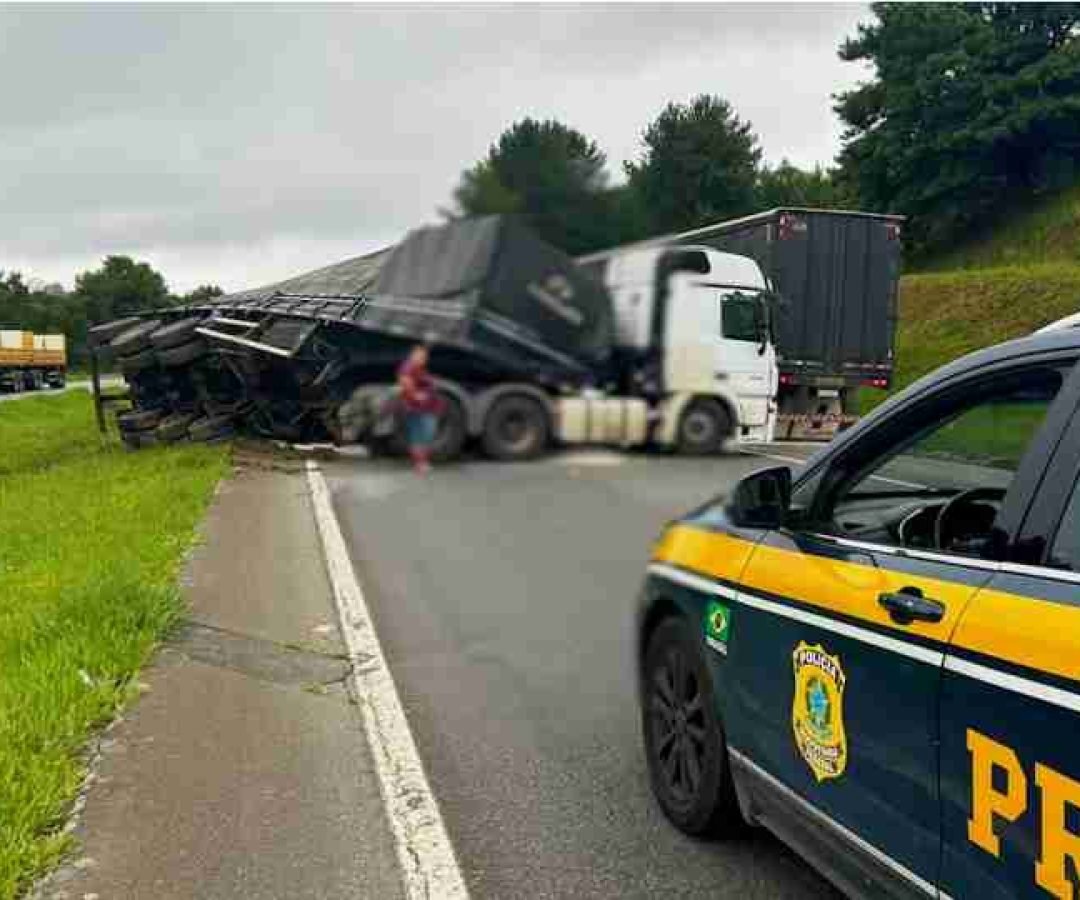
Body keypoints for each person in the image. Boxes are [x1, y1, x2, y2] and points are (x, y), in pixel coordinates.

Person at [396, 343, 444, 474]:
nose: (423, 358)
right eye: (420, 355)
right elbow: (405, 381)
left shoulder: (418, 368)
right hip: (419, 408)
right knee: (424, 435)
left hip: (423, 408)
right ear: (412, 355)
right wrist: (416, 395)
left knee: (420, 436)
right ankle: (421, 463)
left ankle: (421, 463)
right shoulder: (408, 367)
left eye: (424, 356)